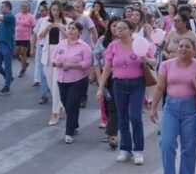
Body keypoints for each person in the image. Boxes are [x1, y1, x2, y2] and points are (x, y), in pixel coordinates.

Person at [150, 37, 196, 174]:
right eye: (181, 46)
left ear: (194, 50)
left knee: (189, 146)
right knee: (166, 142)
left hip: (192, 109)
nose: (183, 49)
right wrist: (153, 108)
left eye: (187, 46)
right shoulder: (167, 64)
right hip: (171, 108)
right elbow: (160, 87)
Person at [98, 19, 153, 165]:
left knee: (135, 117)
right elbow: (107, 68)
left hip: (137, 84)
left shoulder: (139, 44)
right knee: (122, 117)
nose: (118, 30)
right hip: (119, 84)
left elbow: (153, 62)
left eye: (122, 28)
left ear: (130, 30)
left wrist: (147, 60)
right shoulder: (112, 46)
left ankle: (138, 150)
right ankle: (125, 149)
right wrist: (100, 87)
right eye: (116, 28)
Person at [52, 21, 92, 144]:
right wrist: (56, 63)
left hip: (78, 80)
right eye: (69, 28)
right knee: (66, 103)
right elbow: (53, 58)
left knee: (72, 104)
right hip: (62, 79)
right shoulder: (61, 44)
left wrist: (72, 65)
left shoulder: (84, 46)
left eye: (73, 29)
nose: (70, 31)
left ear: (79, 32)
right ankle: (74, 124)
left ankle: (69, 133)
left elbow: (87, 63)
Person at [93, 16, 120, 149]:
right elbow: (97, 61)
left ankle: (112, 134)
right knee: (107, 104)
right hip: (105, 76)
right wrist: (100, 81)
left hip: (120, 77)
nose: (116, 28)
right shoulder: (102, 41)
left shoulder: (126, 41)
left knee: (114, 105)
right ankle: (111, 127)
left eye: (118, 26)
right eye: (113, 26)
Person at [39, 2, 68, 124]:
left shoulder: (67, 21)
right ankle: (60, 105)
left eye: (57, 10)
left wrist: (60, 27)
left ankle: (55, 113)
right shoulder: (45, 20)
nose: (54, 12)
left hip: (60, 52)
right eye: (53, 10)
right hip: (48, 52)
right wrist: (47, 28)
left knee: (56, 85)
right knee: (51, 84)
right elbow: (40, 36)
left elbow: (70, 37)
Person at [32, 2, 51, 97]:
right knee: (42, 70)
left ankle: (51, 87)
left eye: (44, 10)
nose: (42, 12)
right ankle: (43, 94)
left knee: (49, 71)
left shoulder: (57, 21)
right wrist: (33, 47)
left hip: (52, 48)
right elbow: (36, 34)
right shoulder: (41, 20)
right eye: (41, 10)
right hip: (41, 46)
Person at [14, 1, 35, 78]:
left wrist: (33, 36)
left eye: (26, 6)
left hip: (26, 37)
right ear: (21, 7)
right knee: (16, 54)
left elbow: (34, 27)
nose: (24, 8)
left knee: (23, 53)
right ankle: (25, 64)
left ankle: (23, 70)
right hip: (17, 37)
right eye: (23, 6)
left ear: (28, 8)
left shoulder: (31, 16)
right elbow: (14, 25)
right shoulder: (17, 15)